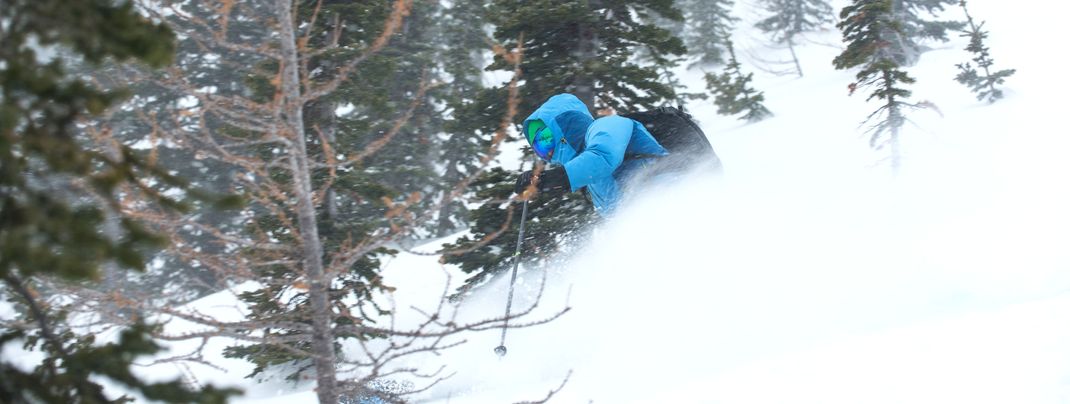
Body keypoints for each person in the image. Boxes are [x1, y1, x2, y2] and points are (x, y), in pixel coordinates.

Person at [513, 93, 713, 216]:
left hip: (675, 189)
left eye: (547, 138)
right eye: (539, 146)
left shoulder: (606, 126)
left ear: (564, 125)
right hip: (651, 214)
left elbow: (603, 157)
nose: (547, 150)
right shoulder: (588, 180)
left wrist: (549, 179)